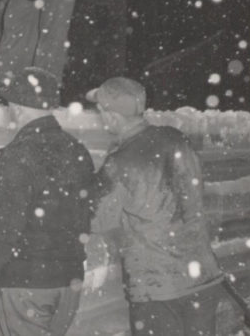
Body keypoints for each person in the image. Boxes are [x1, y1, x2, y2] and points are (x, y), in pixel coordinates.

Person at [0, 67, 95, 336]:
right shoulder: (77, 150)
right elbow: (86, 215)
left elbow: (4, 230)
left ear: (18, 108)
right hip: (69, 281)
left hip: (28, 283)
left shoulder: (19, 155)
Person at [87, 77, 224, 336]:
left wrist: (84, 188)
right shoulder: (175, 138)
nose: (101, 117)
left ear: (113, 115)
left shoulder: (119, 163)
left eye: (102, 111)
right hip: (202, 278)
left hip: (157, 287)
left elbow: (96, 219)